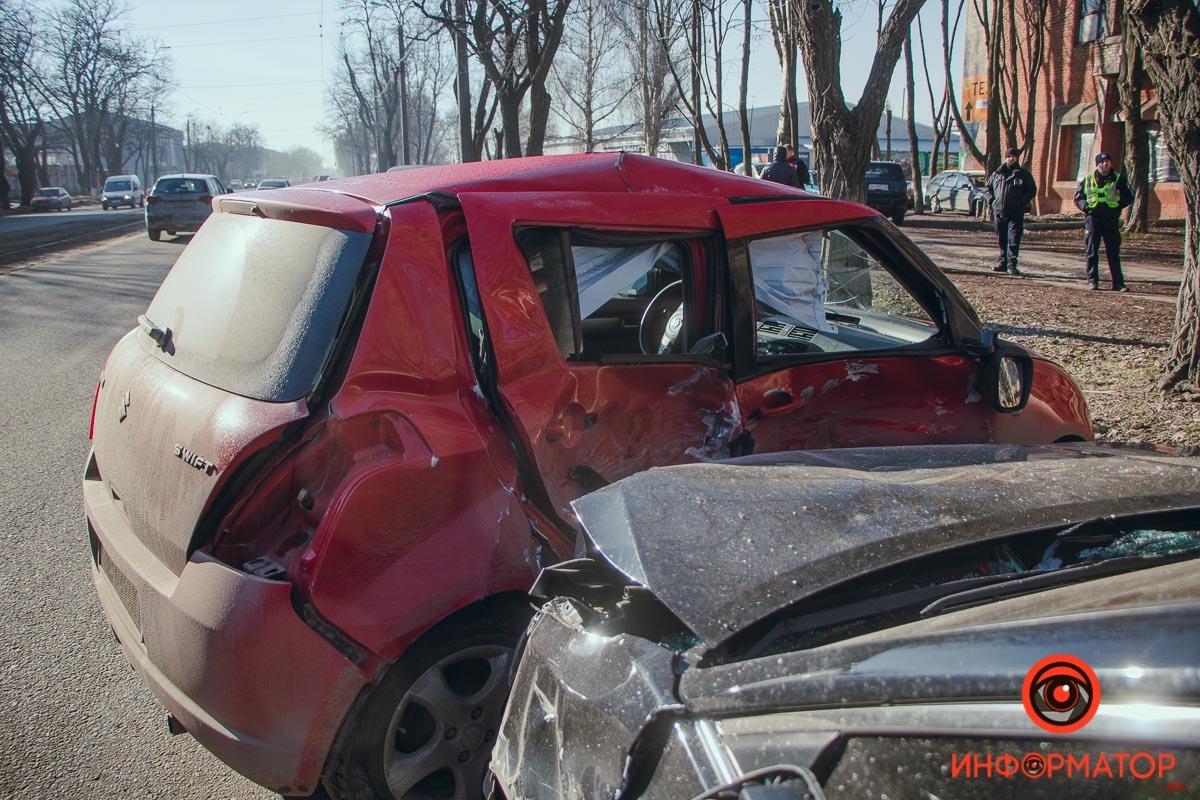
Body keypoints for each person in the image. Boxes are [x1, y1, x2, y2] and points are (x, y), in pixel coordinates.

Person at [1075, 152, 1134, 292]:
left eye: (1107, 161)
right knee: (1091, 251)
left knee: (1113, 252)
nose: (1104, 164)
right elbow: (1078, 198)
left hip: (1111, 220)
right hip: (1093, 219)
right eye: (1101, 162)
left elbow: (1129, 196)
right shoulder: (1088, 179)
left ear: (1111, 163)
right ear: (1097, 164)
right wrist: (1085, 207)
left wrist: (1119, 205)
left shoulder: (1119, 179)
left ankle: (1118, 283)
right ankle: (1093, 281)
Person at [985, 146, 1037, 276]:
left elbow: (1031, 190)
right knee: (1001, 238)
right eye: (1008, 156)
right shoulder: (997, 173)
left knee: (1013, 239)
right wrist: (991, 200)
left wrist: (1021, 202)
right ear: (1005, 157)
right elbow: (988, 188)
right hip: (999, 211)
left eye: (1013, 156)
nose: (1010, 159)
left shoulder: (1023, 174)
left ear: (1016, 158)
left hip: (1015, 212)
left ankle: (1012, 265)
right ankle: (1002, 262)